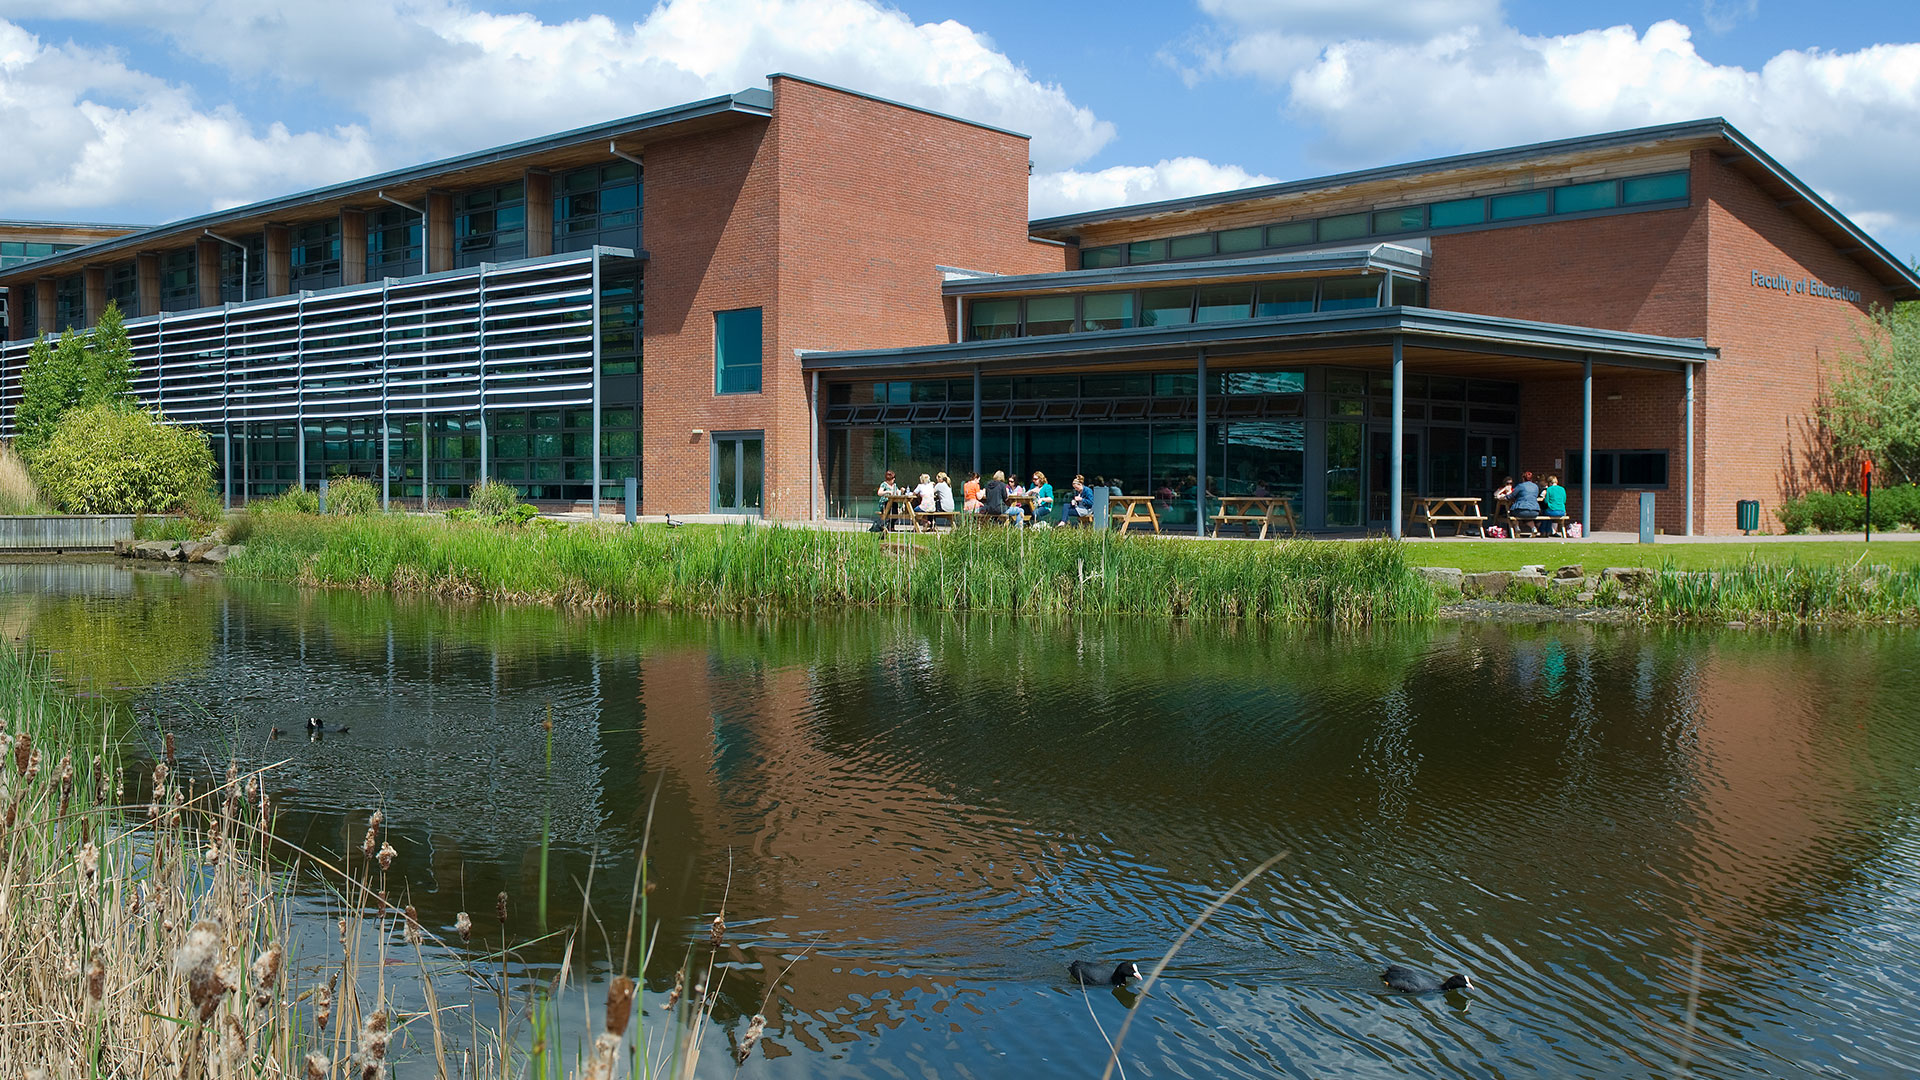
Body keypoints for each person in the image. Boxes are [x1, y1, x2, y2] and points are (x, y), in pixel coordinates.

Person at [1509, 471, 1543, 536]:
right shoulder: (1536, 487)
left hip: (1521, 510)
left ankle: (1517, 528)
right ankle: (1533, 528)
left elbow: (1511, 496)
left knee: (1512, 514)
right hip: (1535, 511)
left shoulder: (1520, 486)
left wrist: (1504, 497)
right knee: (1527, 515)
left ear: (1523, 478)